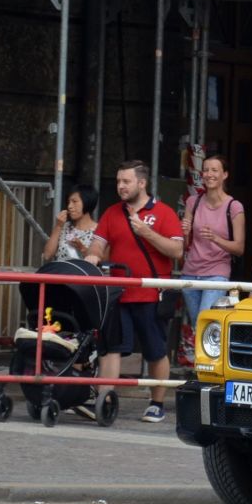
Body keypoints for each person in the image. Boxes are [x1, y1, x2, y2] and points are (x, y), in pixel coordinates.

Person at [84, 160, 183, 423]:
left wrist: (147, 233)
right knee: (111, 348)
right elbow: (97, 243)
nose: (120, 186)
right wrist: (93, 256)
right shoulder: (112, 213)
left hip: (151, 293)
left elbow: (176, 251)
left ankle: (156, 402)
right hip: (117, 293)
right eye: (118, 181)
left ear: (142, 183)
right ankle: (105, 399)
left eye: (126, 181)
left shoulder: (164, 213)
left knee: (155, 351)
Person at [179, 154, 245, 324]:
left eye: (215, 170)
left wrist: (216, 239)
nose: (209, 174)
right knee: (197, 325)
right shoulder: (193, 202)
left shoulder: (234, 206)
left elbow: (239, 248)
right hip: (190, 273)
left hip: (217, 273)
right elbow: (184, 246)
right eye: (206, 170)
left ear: (225, 175)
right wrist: (184, 232)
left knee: (205, 323)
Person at [41, 183, 98, 263]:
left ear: (87, 201)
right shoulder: (64, 227)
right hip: (61, 273)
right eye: (68, 202)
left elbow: (101, 263)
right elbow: (47, 255)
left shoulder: (98, 231)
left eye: (74, 201)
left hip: (85, 274)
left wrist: (82, 248)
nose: (69, 206)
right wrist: (58, 226)